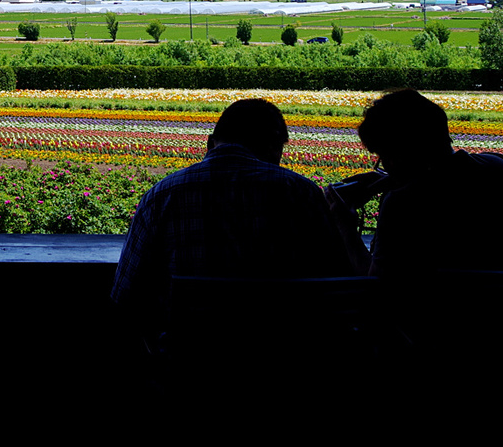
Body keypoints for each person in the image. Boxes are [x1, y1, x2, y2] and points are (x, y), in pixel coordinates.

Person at [111, 98, 354, 334]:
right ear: (275, 147)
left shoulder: (162, 196)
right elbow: (338, 289)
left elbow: (127, 295)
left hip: (187, 360)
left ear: (209, 143)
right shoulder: (301, 192)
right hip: (284, 356)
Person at [353, 89, 503, 278]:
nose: (385, 165)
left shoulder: (402, 203)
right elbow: (449, 171)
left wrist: (344, 225)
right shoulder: (501, 168)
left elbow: (376, 287)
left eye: (383, 157)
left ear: (397, 156)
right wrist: (391, 181)